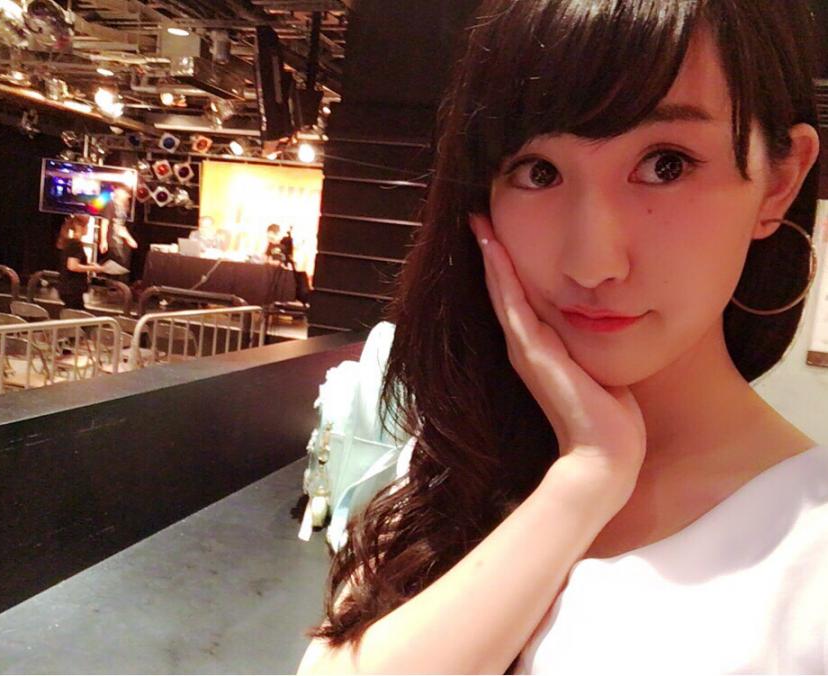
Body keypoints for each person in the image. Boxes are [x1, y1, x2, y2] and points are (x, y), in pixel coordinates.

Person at [298, 1, 825, 673]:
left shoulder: (810, 557)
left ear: (779, 181)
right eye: (538, 171)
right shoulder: (456, 457)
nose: (592, 262)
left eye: (667, 164)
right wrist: (586, 478)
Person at [56, 214, 104, 310]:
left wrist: (89, 264)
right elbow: (72, 266)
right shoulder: (75, 244)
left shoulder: (69, 242)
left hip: (67, 288)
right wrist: (93, 268)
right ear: (81, 227)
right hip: (72, 288)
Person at [98, 185, 137, 281]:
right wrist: (103, 240)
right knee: (116, 261)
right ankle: (102, 276)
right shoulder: (111, 204)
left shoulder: (124, 206)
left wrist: (129, 238)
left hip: (121, 239)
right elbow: (105, 222)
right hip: (113, 238)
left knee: (122, 263)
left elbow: (122, 225)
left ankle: (115, 281)